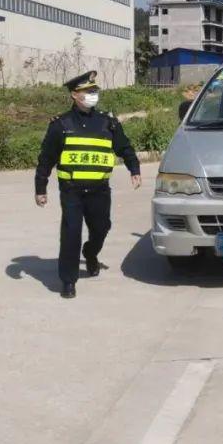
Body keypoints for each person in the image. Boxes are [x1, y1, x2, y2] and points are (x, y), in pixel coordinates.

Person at [35, 70, 141, 298]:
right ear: (74, 95)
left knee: (101, 229)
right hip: (71, 190)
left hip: (99, 191)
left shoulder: (107, 123)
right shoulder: (60, 125)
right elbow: (46, 159)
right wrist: (40, 188)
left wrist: (134, 169)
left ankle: (91, 254)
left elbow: (124, 147)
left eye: (95, 91)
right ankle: (68, 281)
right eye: (88, 91)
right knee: (71, 234)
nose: (93, 95)